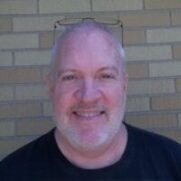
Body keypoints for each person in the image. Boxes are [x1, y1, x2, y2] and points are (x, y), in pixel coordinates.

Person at [0, 19, 181, 181]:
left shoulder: (174, 165)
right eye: (70, 77)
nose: (88, 97)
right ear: (51, 86)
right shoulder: (9, 174)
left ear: (124, 85)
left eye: (105, 76)